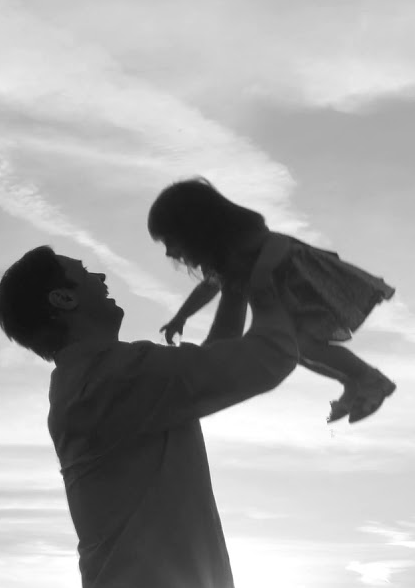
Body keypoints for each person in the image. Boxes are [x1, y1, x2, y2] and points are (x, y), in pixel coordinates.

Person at [0, 242, 298, 588]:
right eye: (85, 272)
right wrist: (267, 286)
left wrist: (234, 289)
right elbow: (262, 360)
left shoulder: (102, 379)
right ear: (64, 298)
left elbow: (210, 365)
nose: (101, 278)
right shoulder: (116, 378)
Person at [149, 176, 397, 424]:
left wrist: (263, 272)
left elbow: (277, 241)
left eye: (169, 241)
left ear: (193, 227)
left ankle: (370, 379)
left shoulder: (241, 239)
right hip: (282, 295)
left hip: (300, 282)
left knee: (302, 345)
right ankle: (353, 380)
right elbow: (209, 289)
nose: (169, 252)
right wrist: (181, 317)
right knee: (297, 348)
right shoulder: (224, 261)